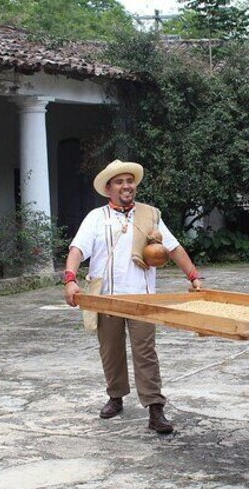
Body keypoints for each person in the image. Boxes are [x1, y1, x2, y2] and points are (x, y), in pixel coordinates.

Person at [64, 160, 203, 434]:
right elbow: (77, 249)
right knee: (110, 350)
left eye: (130, 181)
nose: (126, 186)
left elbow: (173, 249)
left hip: (143, 298)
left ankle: (155, 408)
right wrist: (70, 279)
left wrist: (194, 277)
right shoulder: (95, 217)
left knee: (145, 353)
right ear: (108, 188)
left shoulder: (150, 215)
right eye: (120, 182)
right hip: (106, 297)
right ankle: (115, 397)